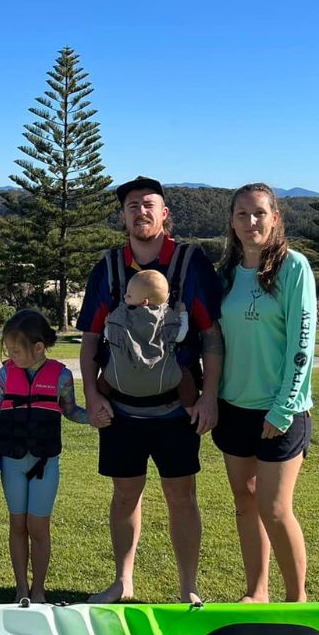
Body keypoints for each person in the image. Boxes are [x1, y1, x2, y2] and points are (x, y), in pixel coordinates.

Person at [77, 176, 223, 604]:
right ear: (122, 217)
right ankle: (123, 582)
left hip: (178, 409)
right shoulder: (106, 267)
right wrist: (92, 395)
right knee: (124, 495)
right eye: (132, 206)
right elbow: (89, 340)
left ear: (165, 214)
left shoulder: (190, 262)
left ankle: (188, 587)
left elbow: (211, 335)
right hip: (120, 409)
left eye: (149, 204)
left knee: (182, 496)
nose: (141, 211)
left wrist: (209, 395)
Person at [211, 183, 316, 602]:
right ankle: (257, 593)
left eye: (259, 213)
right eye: (242, 214)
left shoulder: (294, 268)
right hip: (233, 406)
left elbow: (302, 343)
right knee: (245, 502)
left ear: (275, 218)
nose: (250, 222)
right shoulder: (225, 276)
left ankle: (297, 601)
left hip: (280, 412)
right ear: (232, 222)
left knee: (274, 508)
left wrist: (283, 407)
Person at [0, 310, 89, 603]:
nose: (10, 355)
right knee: (18, 525)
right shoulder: (5, 374)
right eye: (8, 350)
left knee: (38, 527)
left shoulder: (61, 376)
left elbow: (70, 410)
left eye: (15, 350)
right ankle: (21, 588)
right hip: (12, 461)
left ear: (38, 347)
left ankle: (39, 589)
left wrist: (94, 418)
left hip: (45, 463)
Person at [100, 269, 197, 408]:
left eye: (129, 295)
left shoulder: (120, 316)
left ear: (144, 301)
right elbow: (180, 336)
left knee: (105, 376)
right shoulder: (166, 318)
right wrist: (183, 314)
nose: (124, 297)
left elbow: (109, 336)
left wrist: (107, 325)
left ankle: (101, 404)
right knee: (185, 375)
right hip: (161, 382)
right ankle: (189, 407)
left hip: (121, 381)